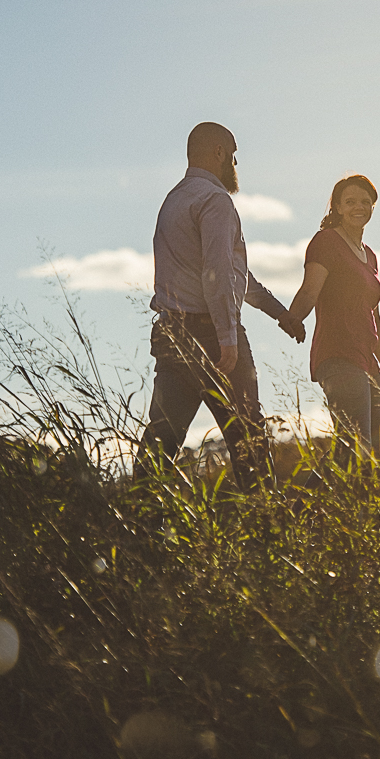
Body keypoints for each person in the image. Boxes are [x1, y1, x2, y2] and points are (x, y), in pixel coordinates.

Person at [135, 121, 304, 488]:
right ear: (218, 154)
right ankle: (265, 527)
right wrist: (227, 337)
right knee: (248, 436)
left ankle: (137, 525)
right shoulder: (215, 200)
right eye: (234, 156)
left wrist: (280, 313)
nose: (235, 165)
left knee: (163, 437)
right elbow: (218, 274)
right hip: (210, 332)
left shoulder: (174, 199)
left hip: (170, 331)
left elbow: (233, 274)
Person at [282, 173, 380, 458]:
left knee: (378, 450)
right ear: (336, 207)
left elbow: (374, 319)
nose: (358, 207)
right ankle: (301, 504)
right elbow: (310, 290)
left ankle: (366, 503)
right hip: (338, 356)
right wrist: (292, 318)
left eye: (364, 201)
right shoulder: (326, 242)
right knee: (354, 446)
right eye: (349, 201)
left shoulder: (369, 256)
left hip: (367, 361)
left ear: (373, 206)